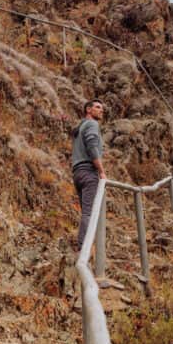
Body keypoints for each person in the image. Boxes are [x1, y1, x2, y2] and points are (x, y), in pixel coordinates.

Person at [71, 100, 106, 251]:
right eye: (98, 107)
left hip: (77, 172)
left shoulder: (80, 127)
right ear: (88, 110)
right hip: (88, 172)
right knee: (89, 213)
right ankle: (83, 249)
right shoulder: (92, 125)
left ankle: (84, 247)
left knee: (86, 212)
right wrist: (101, 171)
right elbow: (92, 147)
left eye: (102, 108)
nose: (101, 110)